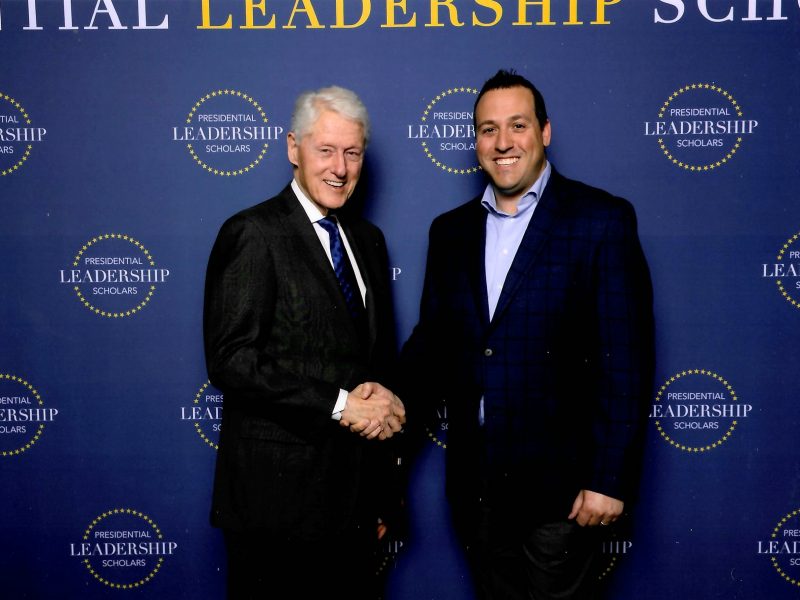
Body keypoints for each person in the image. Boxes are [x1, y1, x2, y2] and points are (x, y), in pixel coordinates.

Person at [400, 69, 655, 599]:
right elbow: (432, 347)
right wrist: (385, 396)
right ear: (475, 142)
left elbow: (626, 359)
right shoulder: (450, 232)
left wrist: (609, 478)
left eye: (517, 125)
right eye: (488, 129)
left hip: (561, 494)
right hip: (477, 491)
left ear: (544, 132)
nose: (503, 142)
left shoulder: (600, 220)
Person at [203, 85, 405, 599]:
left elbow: (374, 362)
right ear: (293, 148)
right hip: (275, 509)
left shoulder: (368, 240)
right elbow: (231, 359)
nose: (340, 167)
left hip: (355, 506)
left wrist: (383, 496)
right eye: (325, 150)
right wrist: (339, 406)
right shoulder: (253, 232)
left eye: (352, 153)